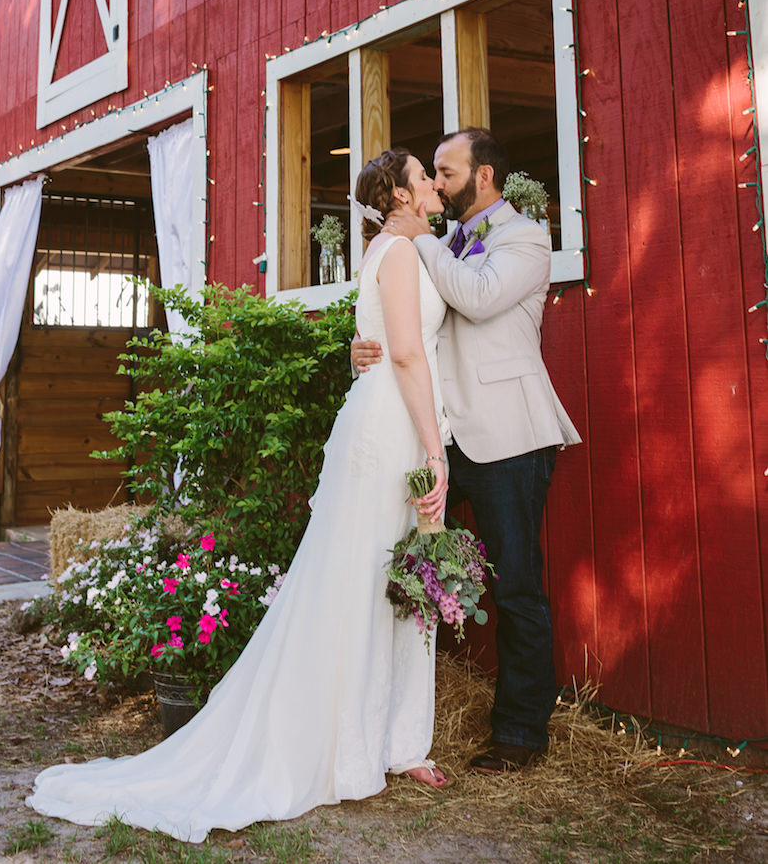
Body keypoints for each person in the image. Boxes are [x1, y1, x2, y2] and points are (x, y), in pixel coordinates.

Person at [29, 149, 453, 841]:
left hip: (387, 419)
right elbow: (404, 353)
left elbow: (373, 338)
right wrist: (436, 452)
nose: (435, 185)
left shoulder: (392, 250)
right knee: (366, 580)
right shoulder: (401, 256)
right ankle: (350, 744)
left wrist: (366, 357)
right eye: (423, 176)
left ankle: (385, 740)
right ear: (402, 197)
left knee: (380, 578)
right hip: (394, 426)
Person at [353, 128, 580, 774]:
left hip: (509, 438)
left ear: (483, 178)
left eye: (446, 172)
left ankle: (519, 733)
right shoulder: (442, 242)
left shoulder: (527, 241)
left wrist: (417, 234)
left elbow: (475, 299)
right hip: (441, 440)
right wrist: (362, 344)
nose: (438, 183)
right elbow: (413, 324)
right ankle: (391, 723)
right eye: (432, 174)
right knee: (410, 577)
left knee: (516, 588)